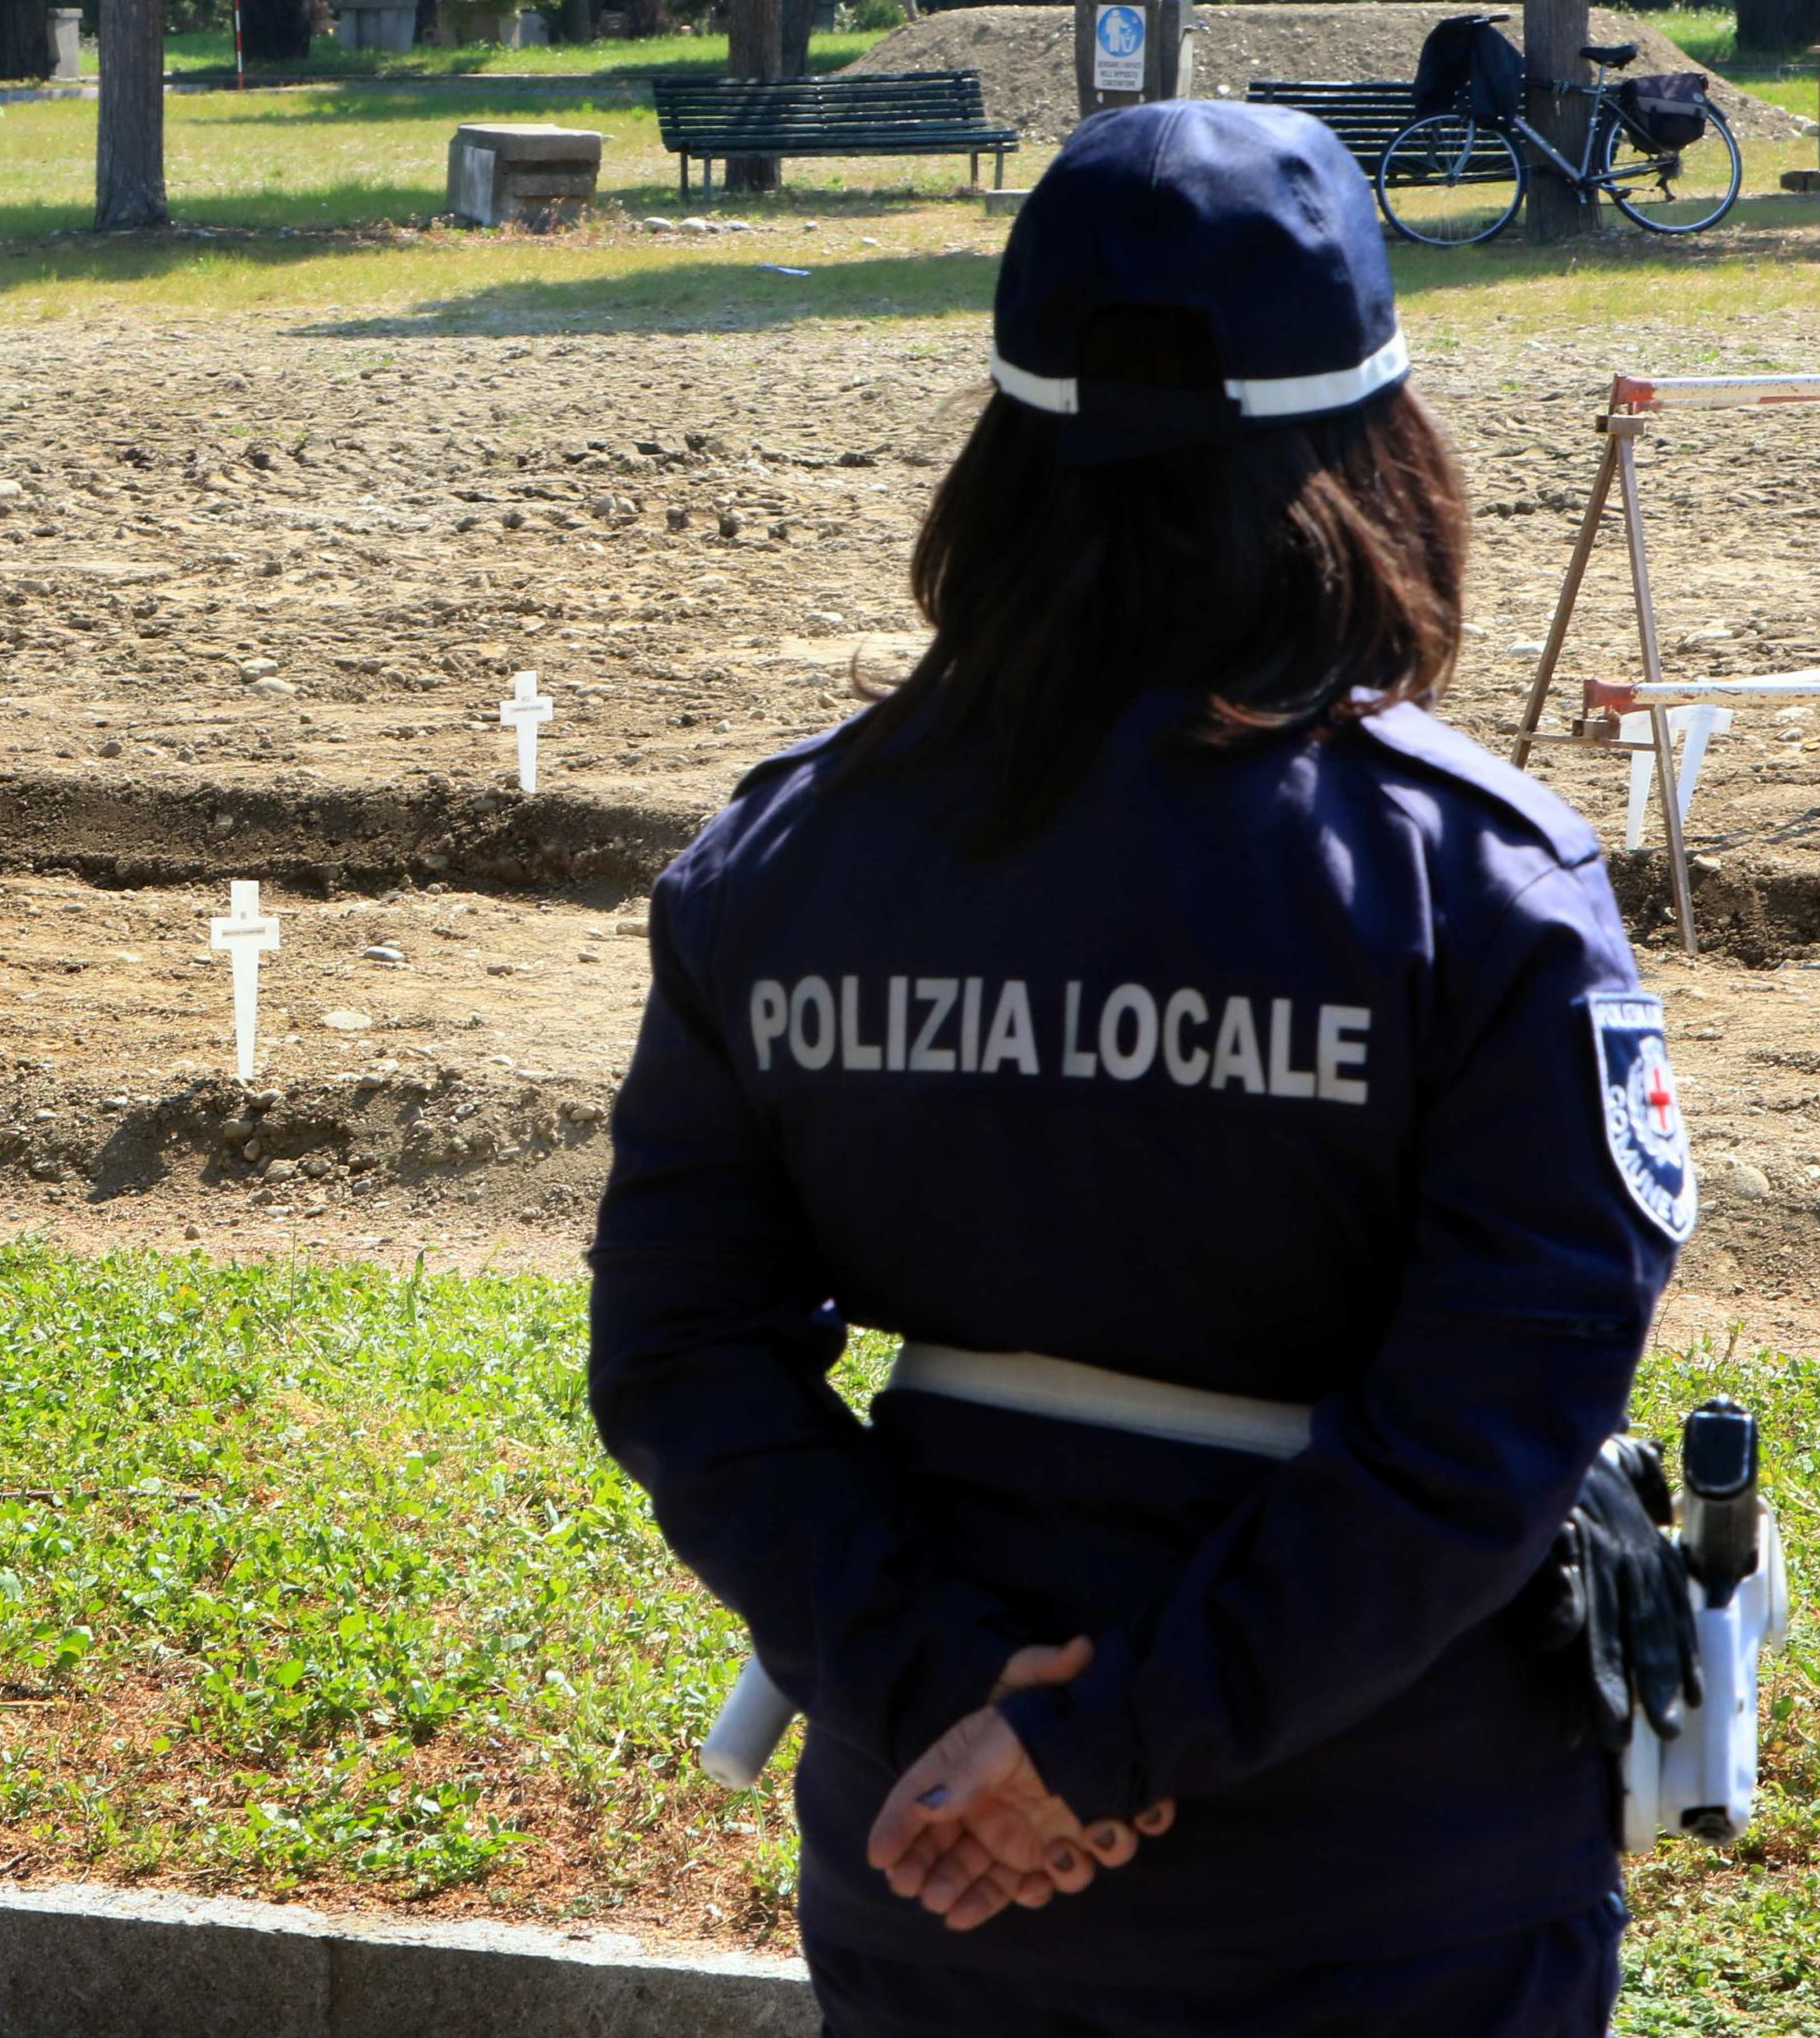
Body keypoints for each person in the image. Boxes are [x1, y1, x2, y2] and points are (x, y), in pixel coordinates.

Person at [586, 101, 1699, 2037]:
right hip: (1380, 1879)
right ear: (1378, 443)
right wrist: (1114, 1738)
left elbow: (685, 1354)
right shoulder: (1475, 874)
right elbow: (1488, 1418)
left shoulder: (786, 850)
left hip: (934, 1850)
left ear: (1005, 442)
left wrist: (958, 1701)